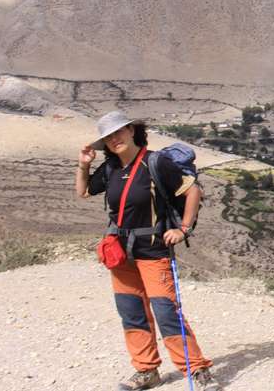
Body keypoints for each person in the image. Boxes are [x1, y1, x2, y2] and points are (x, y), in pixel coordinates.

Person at [75, 111, 221, 391]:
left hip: (154, 250)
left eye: (118, 132)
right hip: (120, 251)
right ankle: (146, 370)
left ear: (132, 131)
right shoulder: (110, 169)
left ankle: (197, 369)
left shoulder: (156, 162)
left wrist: (184, 228)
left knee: (167, 312)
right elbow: (82, 192)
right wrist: (83, 166)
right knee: (131, 312)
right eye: (108, 137)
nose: (114, 139)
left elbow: (192, 191)